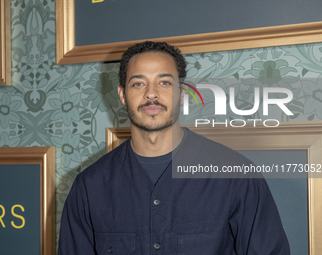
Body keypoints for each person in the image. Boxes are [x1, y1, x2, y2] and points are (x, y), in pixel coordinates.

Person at [58, 41, 290, 254]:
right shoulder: (89, 187)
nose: (151, 93)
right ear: (122, 94)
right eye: (138, 83)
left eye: (164, 82)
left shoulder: (236, 176)